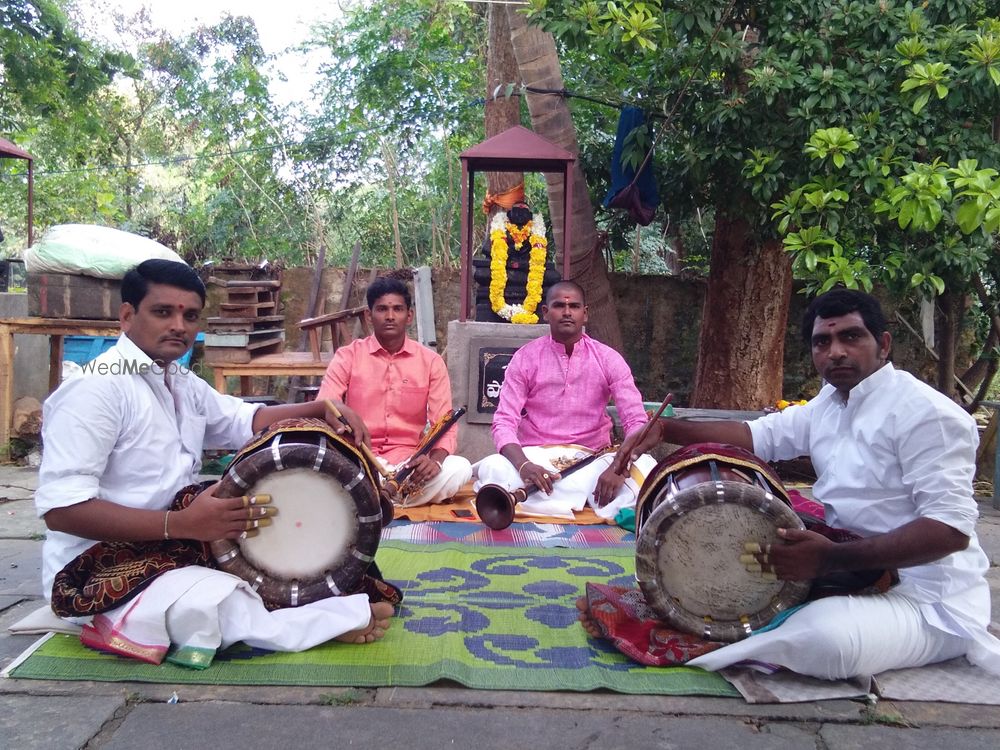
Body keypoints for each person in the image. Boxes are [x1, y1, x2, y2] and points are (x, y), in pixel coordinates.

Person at [597, 287, 1000, 678]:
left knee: (828, 638)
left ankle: (751, 642)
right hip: (852, 566)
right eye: (822, 342)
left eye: (851, 336)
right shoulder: (831, 403)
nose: (836, 351)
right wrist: (667, 428)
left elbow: (950, 532)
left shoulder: (929, 415)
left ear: (884, 344)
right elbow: (760, 436)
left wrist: (830, 560)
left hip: (929, 600)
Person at [34, 259, 393, 663]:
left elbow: (247, 420)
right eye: (163, 312)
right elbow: (62, 510)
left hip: (178, 539)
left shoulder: (180, 381)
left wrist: (319, 408)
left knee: (326, 562)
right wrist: (180, 524)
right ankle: (313, 623)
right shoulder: (95, 391)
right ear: (127, 315)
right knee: (211, 604)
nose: (179, 326)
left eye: (190, 316)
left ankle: (311, 609)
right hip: (97, 565)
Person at [474, 280, 656, 520]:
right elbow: (504, 422)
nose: (567, 312)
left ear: (585, 314)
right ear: (546, 313)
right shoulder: (525, 358)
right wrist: (523, 466)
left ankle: (533, 501)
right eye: (559, 305)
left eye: (575, 306)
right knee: (494, 466)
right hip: (537, 457)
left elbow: (635, 420)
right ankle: (588, 504)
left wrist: (618, 467)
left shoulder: (608, 358)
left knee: (646, 468)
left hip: (591, 458)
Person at [317, 276, 471, 506]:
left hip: (407, 464)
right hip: (359, 458)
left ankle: (369, 499)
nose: (390, 316)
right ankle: (387, 498)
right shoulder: (348, 356)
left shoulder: (431, 362)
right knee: (325, 468)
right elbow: (326, 406)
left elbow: (445, 423)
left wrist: (436, 461)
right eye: (382, 309)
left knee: (460, 469)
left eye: (397, 309)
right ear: (369, 316)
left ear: (408, 316)